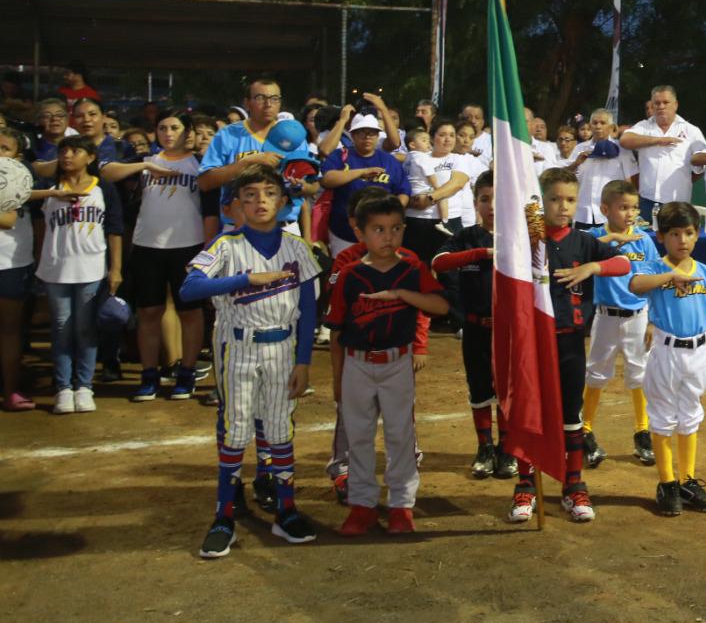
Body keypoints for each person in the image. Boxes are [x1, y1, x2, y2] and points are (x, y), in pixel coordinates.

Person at [180, 164, 318, 557]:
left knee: (279, 428)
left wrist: (304, 361)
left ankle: (286, 509)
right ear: (235, 205)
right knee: (236, 428)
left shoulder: (296, 247)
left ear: (283, 202)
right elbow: (189, 287)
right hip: (237, 345)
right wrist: (244, 280)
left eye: (269, 193)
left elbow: (308, 309)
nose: (260, 201)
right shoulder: (226, 245)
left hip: (282, 347)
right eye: (250, 195)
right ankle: (224, 515)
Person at [506, 167, 633, 525]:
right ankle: (526, 485)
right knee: (529, 415)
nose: (564, 207)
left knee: (570, 417)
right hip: (530, 344)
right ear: (540, 200)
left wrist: (593, 267)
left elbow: (623, 262)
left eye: (571, 200)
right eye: (555, 199)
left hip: (570, 343)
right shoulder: (526, 242)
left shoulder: (583, 241)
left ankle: (573, 485)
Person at [325, 193, 447, 537]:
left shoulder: (412, 268)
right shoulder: (349, 274)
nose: (388, 237)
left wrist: (402, 295)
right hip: (357, 363)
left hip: (397, 360)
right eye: (378, 229)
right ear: (360, 233)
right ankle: (362, 506)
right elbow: (336, 331)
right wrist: (337, 378)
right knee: (359, 438)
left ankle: (401, 506)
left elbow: (439, 306)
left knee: (400, 436)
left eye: (395, 228)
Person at [629, 201, 706, 516]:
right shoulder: (655, 269)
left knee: (690, 416)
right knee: (662, 417)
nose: (682, 240)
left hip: (697, 352)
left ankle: (687, 480)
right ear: (661, 237)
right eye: (674, 233)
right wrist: (670, 277)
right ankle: (666, 482)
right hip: (666, 351)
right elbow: (635, 284)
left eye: (688, 233)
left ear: (697, 235)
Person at [431, 172, 517, 480]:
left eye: (498, 199)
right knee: (479, 388)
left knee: (508, 389)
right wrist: (483, 254)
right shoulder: (466, 237)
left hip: (508, 331)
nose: (492, 206)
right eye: (484, 199)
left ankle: (508, 449)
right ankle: (485, 447)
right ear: (475, 202)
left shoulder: (518, 236)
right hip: (476, 329)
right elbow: (439, 263)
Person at [127, 112, 216, 403]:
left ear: (186, 131)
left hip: (187, 246)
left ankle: (186, 372)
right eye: (162, 127)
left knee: (189, 313)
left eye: (175, 128)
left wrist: (207, 248)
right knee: (149, 312)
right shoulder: (145, 162)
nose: (168, 133)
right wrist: (144, 164)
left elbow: (209, 210)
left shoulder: (200, 165)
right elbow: (107, 172)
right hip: (147, 246)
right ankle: (149, 375)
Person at [32, 135, 123, 414]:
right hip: (56, 268)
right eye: (64, 151)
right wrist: (53, 194)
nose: (68, 155)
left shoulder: (103, 188)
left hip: (91, 267)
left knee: (85, 328)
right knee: (61, 328)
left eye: (75, 150)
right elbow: (21, 196)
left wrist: (115, 268)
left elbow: (115, 229)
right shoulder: (49, 186)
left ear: (91, 157)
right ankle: (63, 388)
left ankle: (84, 386)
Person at [580, 179, 661, 470]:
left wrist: (652, 320)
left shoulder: (644, 239)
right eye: (623, 207)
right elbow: (579, 250)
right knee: (597, 372)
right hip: (606, 316)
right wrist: (612, 241)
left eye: (634, 207)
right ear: (605, 209)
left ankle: (642, 432)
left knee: (639, 373)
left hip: (638, 316)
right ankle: (584, 430)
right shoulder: (595, 237)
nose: (630, 213)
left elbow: (652, 280)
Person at [199, 76, 318, 236]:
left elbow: (314, 186)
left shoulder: (294, 136)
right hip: (238, 228)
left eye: (274, 98)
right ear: (247, 103)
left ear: (280, 103)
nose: (268, 104)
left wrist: (301, 187)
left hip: (284, 228)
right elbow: (205, 182)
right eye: (260, 98)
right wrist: (246, 163)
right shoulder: (228, 135)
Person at [319, 112, 411, 260]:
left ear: (377, 136)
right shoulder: (340, 155)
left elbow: (403, 191)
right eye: (362, 133)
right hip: (344, 232)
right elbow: (327, 179)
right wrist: (362, 172)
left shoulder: (389, 161)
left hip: (381, 234)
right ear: (353, 136)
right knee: (345, 272)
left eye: (372, 133)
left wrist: (392, 213)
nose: (367, 137)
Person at [620, 86, 706, 224]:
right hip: (647, 202)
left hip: (678, 203)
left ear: (676, 105)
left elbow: (701, 163)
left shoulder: (691, 131)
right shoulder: (643, 126)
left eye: (665, 102)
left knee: (677, 243)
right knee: (647, 242)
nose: (661, 106)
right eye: (657, 103)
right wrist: (658, 141)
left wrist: (684, 180)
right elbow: (625, 141)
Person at [0, 127, 37, 410]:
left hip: (10, 262)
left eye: (4, 148)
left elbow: (8, 219)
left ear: (17, 154)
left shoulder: (16, 176)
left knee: (9, 331)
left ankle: (10, 391)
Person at [401, 118, 470, 259]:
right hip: (416, 220)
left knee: (448, 270)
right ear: (432, 138)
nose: (448, 139)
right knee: (417, 269)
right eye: (442, 135)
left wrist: (430, 198)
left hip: (448, 221)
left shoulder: (459, 159)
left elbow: (457, 183)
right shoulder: (418, 157)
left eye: (451, 135)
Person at [572, 108, 636, 230]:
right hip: (583, 213)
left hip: (611, 214)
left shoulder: (622, 150)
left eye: (602, 123)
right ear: (590, 126)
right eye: (595, 123)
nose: (598, 126)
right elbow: (568, 177)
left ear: (611, 127)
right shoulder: (580, 148)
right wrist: (576, 163)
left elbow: (631, 181)